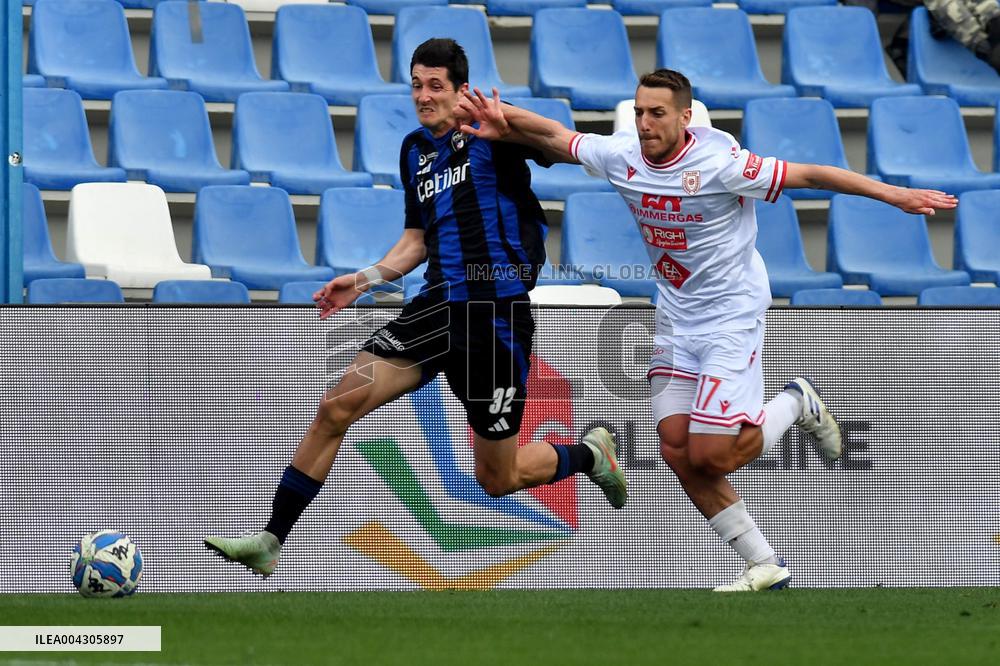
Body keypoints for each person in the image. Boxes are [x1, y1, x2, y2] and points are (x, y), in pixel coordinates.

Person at [458, 69, 957, 591]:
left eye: (657, 113)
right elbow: (558, 136)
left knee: (713, 453)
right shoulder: (624, 156)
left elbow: (812, 175)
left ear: (684, 116)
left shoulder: (722, 163)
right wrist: (503, 119)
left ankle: (796, 402)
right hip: (676, 318)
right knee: (676, 447)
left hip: (730, 317)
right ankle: (764, 563)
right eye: (639, 112)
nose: (646, 123)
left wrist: (895, 195)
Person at [203, 39, 627, 577]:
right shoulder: (413, 151)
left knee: (497, 480)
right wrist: (362, 281)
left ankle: (590, 454)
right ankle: (270, 540)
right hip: (434, 309)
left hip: (495, 319)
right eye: (417, 85)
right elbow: (415, 241)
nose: (424, 96)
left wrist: (508, 116)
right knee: (336, 407)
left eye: (436, 86)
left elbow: (560, 142)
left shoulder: (492, 130)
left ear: (460, 90)